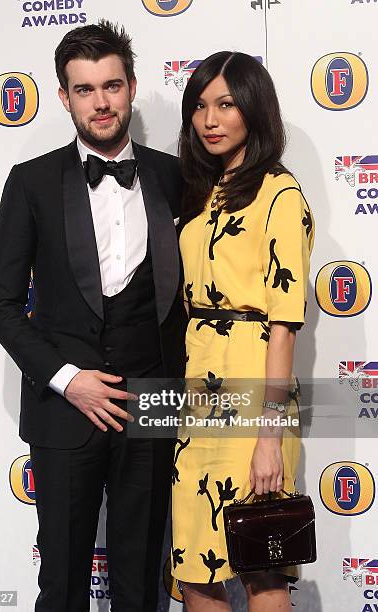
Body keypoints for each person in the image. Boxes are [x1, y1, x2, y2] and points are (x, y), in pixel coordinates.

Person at [0, 21, 187, 612]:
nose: (101, 102)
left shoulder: (173, 177)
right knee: (64, 585)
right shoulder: (32, 183)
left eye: (112, 85)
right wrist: (69, 379)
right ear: (64, 95)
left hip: (152, 407)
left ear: (131, 86)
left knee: (141, 581)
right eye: (85, 89)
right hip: (62, 413)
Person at [171, 51, 314, 611]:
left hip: (255, 391)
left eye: (226, 104)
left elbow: (283, 328)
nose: (210, 119)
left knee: (261, 568)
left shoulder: (280, 195)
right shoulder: (202, 194)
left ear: (254, 108)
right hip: (198, 395)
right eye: (200, 106)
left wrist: (268, 437)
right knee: (194, 570)